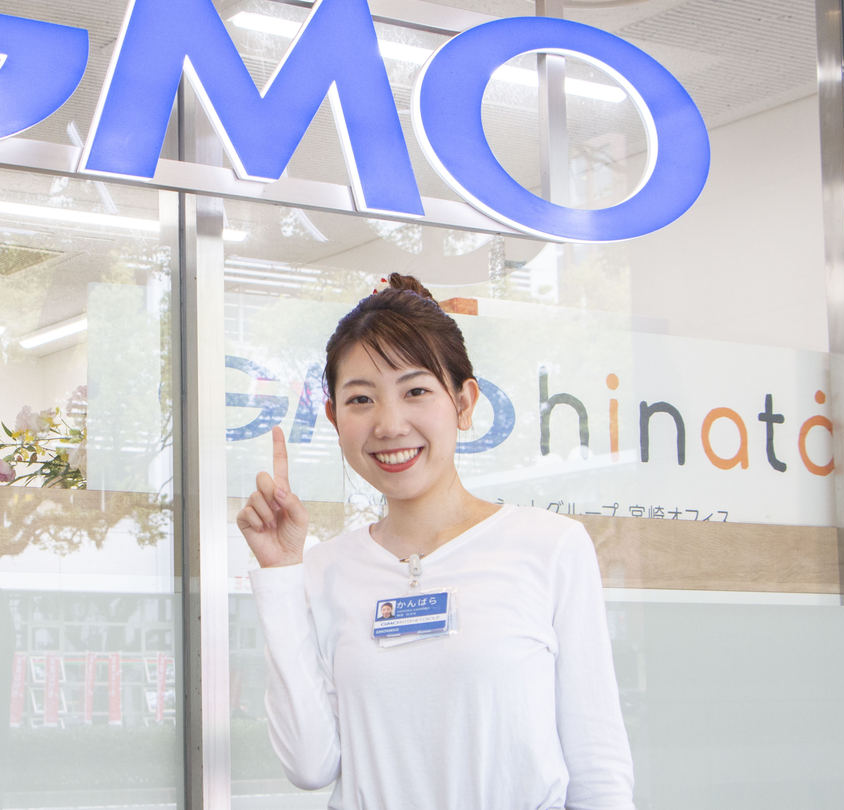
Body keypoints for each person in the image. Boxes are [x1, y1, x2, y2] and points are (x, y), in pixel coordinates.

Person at [235, 273, 634, 810]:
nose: (389, 424)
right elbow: (310, 767)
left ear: (464, 402)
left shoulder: (549, 546)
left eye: (416, 391)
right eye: (360, 399)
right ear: (334, 418)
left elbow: (599, 771)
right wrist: (282, 575)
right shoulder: (323, 570)